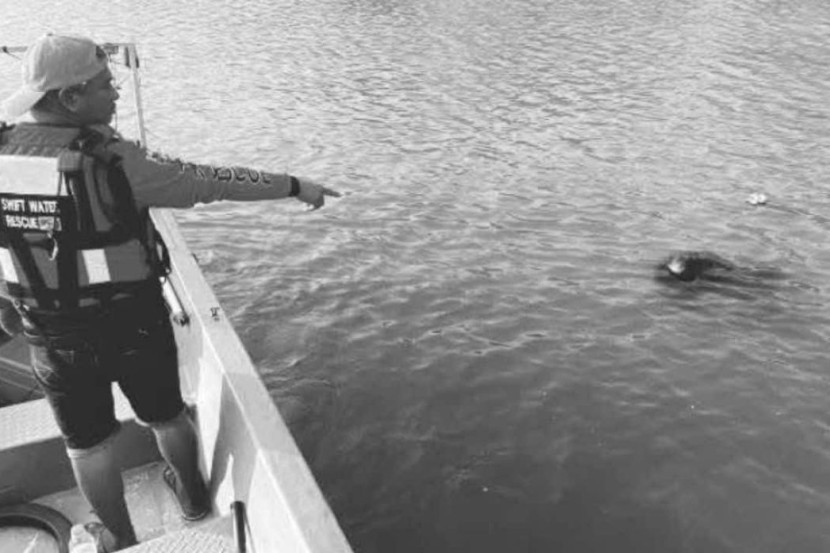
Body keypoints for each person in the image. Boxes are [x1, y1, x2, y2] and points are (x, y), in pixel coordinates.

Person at [0, 33, 340, 551]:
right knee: (166, 416)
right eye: (105, 84)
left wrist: (9, 309)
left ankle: (119, 536)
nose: (116, 91)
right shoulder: (116, 161)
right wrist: (293, 185)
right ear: (70, 97)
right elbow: (210, 181)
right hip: (132, 322)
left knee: (87, 447)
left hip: (51, 335)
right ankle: (195, 501)